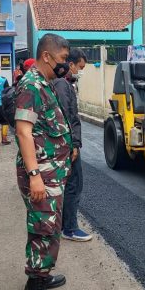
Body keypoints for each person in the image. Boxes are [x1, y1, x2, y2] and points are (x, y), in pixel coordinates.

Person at [15, 33, 73, 290]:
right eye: (62, 59)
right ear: (47, 56)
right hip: (42, 172)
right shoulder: (32, 85)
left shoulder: (45, 83)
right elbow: (24, 131)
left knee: (50, 225)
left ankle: (43, 275)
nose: (66, 65)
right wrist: (34, 174)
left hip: (52, 170)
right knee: (43, 228)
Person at [53, 49, 92, 242]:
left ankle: (63, 225)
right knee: (74, 184)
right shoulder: (61, 84)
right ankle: (69, 228)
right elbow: (66, 116)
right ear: (71, 64)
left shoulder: (65, 83)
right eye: (80, 67)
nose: (80, 71)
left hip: (67, 143)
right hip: (67, 144)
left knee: (69, 184)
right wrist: (73, 144)